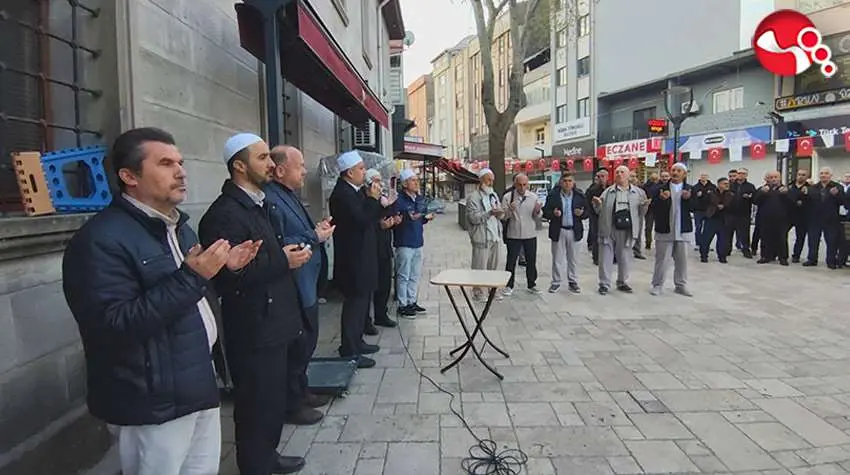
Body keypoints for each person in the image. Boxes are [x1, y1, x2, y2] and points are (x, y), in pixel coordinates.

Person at [62, 127, 260, 475]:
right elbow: (113, 326)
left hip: (199, 384)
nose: (181, 171)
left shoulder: (180, 228)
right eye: (166, 163)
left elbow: (189, 300)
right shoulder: (100, 241)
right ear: (129, 176)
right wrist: (193, 276)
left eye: (181, 162)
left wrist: (222, 271)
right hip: (153, 401)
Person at [198, 133, 313, 475]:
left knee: (271, 401)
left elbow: (263, 257)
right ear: (240, 166)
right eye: (263, 158)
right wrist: (284, 261)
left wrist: (284, 257)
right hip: (253, 327)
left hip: (274, 321)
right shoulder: (223, 215)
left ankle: (268, 457)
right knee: (255, 404)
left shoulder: (257, 203)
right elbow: (229, 275)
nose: (271, 164)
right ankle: (255, 466)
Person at [265, 145, 336, 426]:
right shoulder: (272, 198)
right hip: (295, 284)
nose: (305, 171)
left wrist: (315, 230)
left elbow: (298, 231)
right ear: (281, 170)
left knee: (306, 343)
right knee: (297, 347)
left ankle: (302, 390)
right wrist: (314, 235)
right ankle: (293, 403)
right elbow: (281, 241)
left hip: (307, 282)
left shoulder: (288, 195)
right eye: (300, 166)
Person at [328, 150, 385, 368]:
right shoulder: (342, 194)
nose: (364, 173)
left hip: (364, 255)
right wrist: (372, 200)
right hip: (353, 259)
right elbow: (360, 220)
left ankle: (358, 341)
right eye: (361, 169)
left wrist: (377, 200)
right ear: (350, 172)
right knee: (354, 305)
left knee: (362, 304)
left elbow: (371, 215)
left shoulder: (357, 191)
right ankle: (349, 349)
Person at [364, 168, 403, 325]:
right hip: (370, 248)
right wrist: (379, 225)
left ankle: (381, 314)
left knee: (385, 283)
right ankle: (366, 320)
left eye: (380, 181)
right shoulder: (365, 199)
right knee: (369, 287)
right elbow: (365, 220)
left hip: (385, 246)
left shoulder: (383, 198)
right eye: (376, 181)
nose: (379, 185)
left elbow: (389, 215)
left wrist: (394, 219)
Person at [650, 162, 694, 297]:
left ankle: (680, 285)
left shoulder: (690, 189)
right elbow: (653, 207)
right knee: (662, 260)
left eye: (678, 171)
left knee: (682, 260)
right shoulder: (660, 189)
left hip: (682, 230)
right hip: (665, 230)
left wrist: (688, 199)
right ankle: (657, 284)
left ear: (684, 174)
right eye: (673, 170)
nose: (675, 173)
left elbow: (697, 207)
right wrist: (661, 199)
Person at [393, 168, 432, 317]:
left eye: (417, 180)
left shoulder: (419, 198)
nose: (416, 183)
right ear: (404, 184)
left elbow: (420, 218)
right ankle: (402, 305)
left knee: (415, 274)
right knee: (404, 275)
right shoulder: (398, 200)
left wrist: (426, 218)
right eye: (413, 180)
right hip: (404, 242)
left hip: (417, 241)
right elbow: (396, 220)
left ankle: (412, 301)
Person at [542, 171, 588, 293]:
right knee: (557, 258)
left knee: (573, 258)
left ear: (574, 183)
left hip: (574, 230)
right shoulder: (553, 195)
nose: (567, 183)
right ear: (561, 182)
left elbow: (587, 212)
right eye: (565, 181)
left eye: (570, 181)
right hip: (559, 229)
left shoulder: (579, 195)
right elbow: (545, 212)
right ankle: (556, 282)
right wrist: (553, 214)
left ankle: (572, 281)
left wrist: (582, 214)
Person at [465, 168, 505, 300]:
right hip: (482, 237)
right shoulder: (474, 197)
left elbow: (499, 213)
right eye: (488, 180)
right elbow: (473, 218)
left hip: (495, 236)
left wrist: (501, 213)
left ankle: (493, 291)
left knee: (494, 267)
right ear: (481, 180)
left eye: (492, 180)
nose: (491, 183)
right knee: (480, 267)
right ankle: (479, 293)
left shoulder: (493, 195)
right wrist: (489, 213)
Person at [501, 173, 542, 295]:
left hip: (530, 233)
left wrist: (537, 211)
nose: (522, 188)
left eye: (525, 185)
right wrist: (510, 210)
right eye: (519, 185)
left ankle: (532, 283)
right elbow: (503, 216)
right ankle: (509, 285)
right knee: (511, 260)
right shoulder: (508, 197)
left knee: (531, 259)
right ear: (515, 184)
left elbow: (538, 216)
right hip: (513, 233)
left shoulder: (533, 197)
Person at [803, 166, 845, 269]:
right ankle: (812, 259)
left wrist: (837, 195)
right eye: (821, 173)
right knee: (813, 240)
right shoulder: (813, 187)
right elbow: (807, 202)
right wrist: (804, 194)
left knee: (831, 241)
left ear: (830, 175)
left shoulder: (837, 187)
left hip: (831, 218)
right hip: (815, 218)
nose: (823, 175)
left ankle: (831, 261)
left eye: (826, 173)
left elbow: (843, 201)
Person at [753, 170, 792, 265]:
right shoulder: (762, 189)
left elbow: (792, 203)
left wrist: (786, 194)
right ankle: (765, 256)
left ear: (780, 178)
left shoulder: (785, 189)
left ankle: (783, 257)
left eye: (775, 177)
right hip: (765, 218)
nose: (773, 179)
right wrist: (761, 193)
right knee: (765, 238)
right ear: (766, 179)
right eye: (771, 177)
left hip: (781, 219)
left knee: (781, 238)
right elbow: (755, 201)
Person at [699, 177, 734, 263]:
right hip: (711, 219)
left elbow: (733, 206)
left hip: (724, 220)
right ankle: (704, 256)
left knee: (723, 240)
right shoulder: (710, 193)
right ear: (719, 184)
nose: (727, 185)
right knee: (706, 239)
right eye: (724, 184)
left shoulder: (730, 194)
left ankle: (722, 257)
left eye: (728, 184)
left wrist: (724, 206)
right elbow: (703, 204)